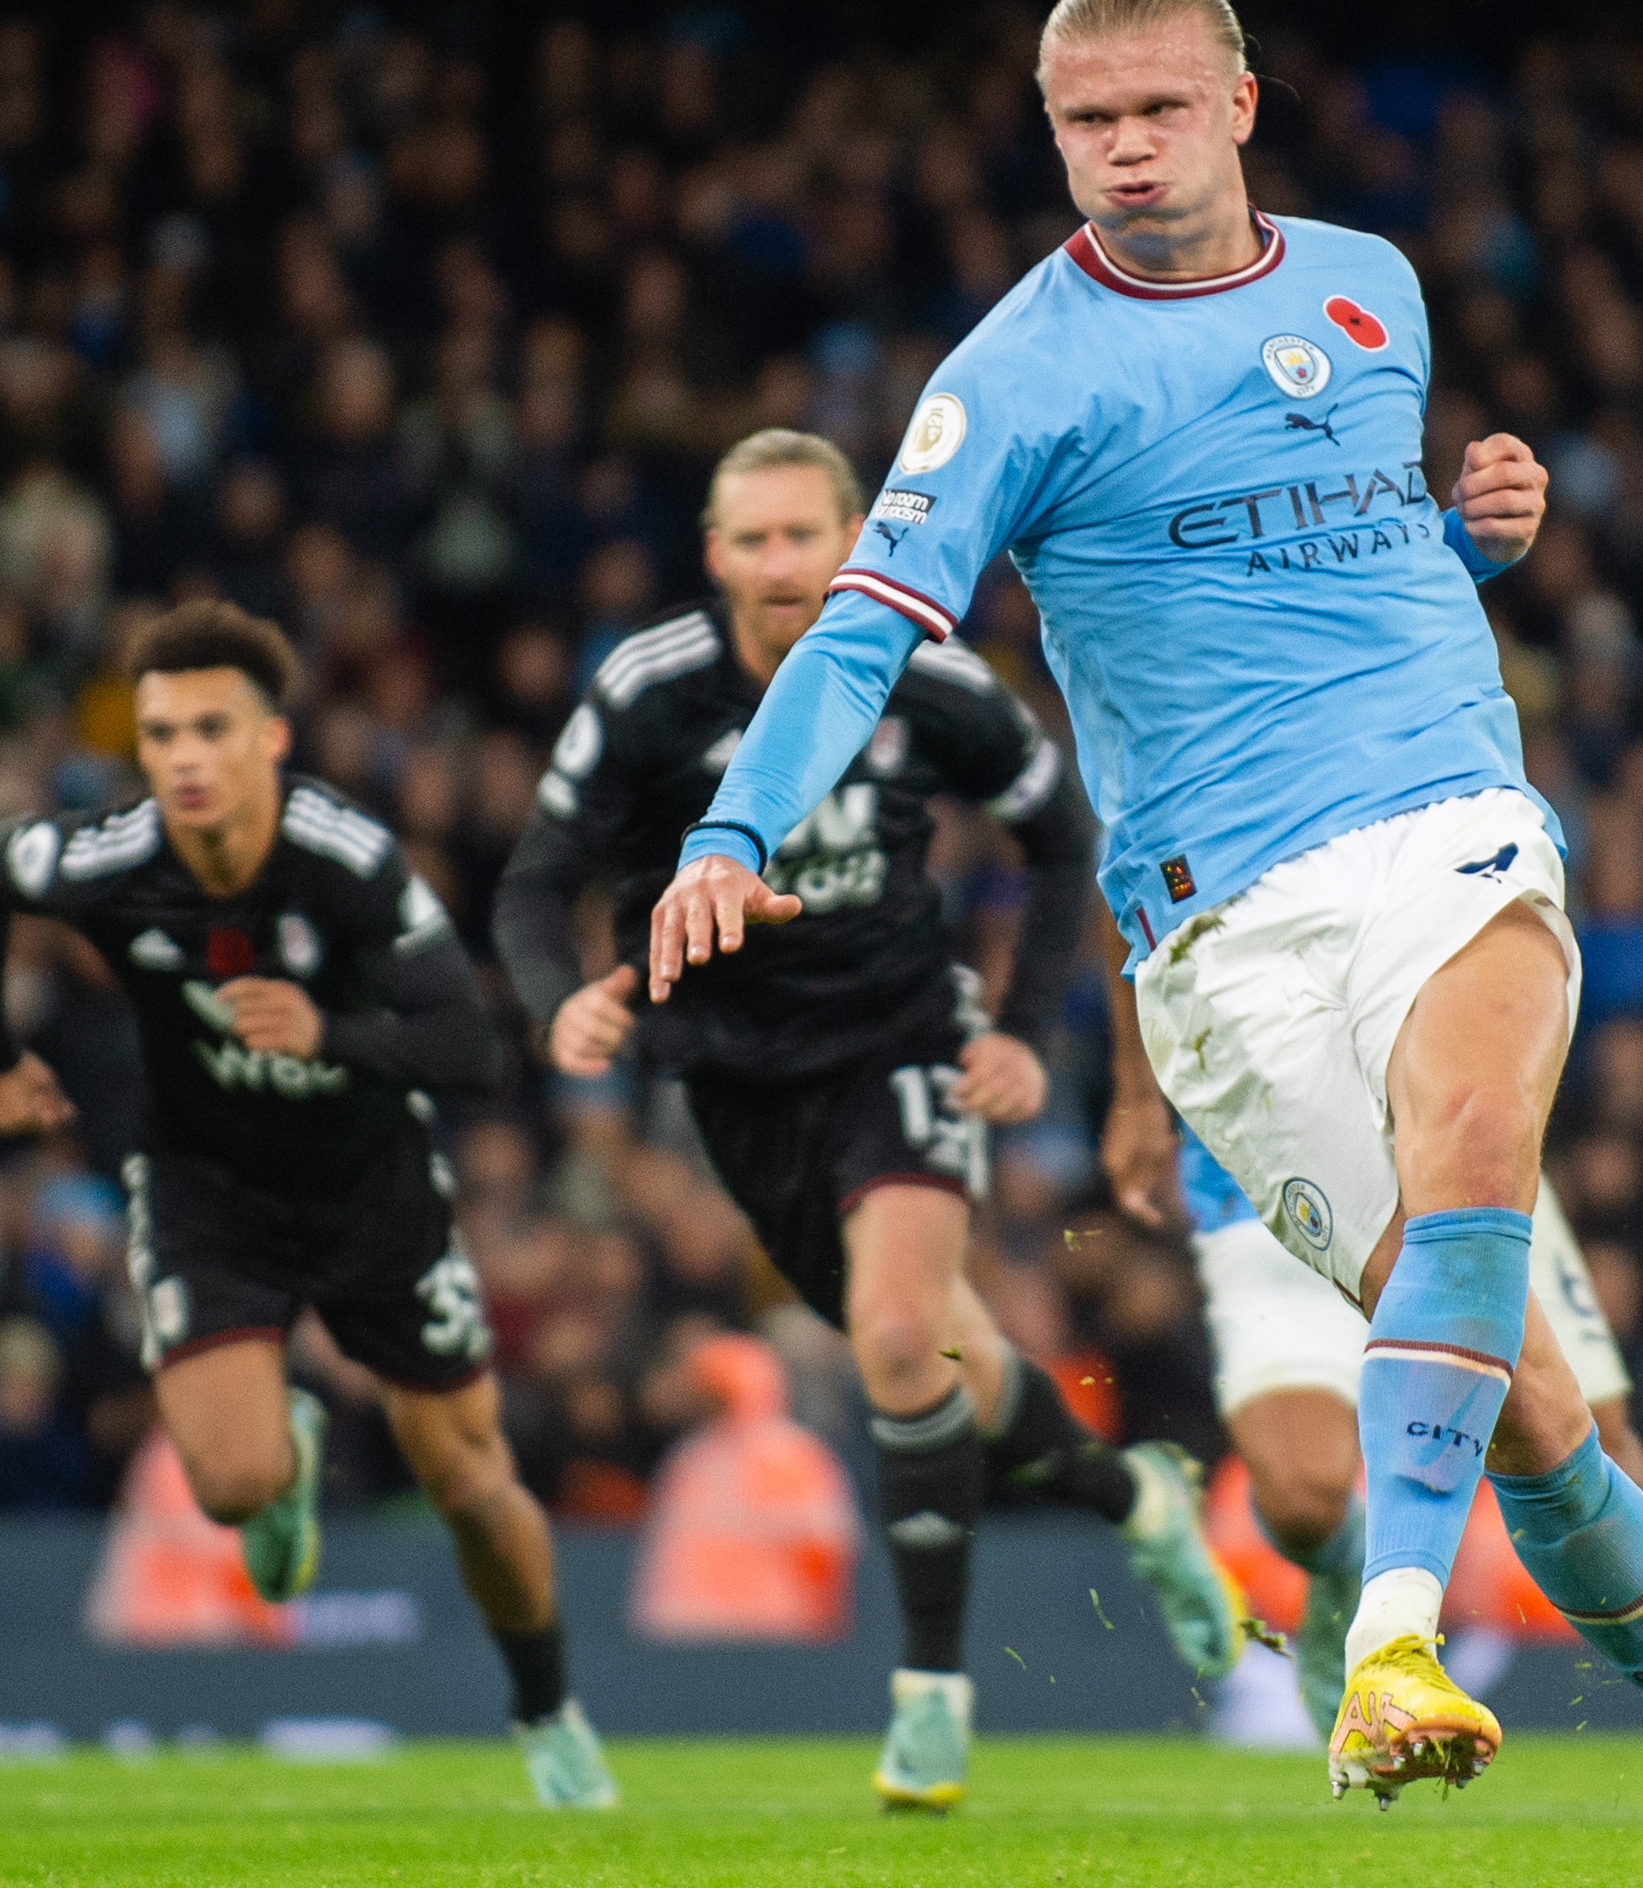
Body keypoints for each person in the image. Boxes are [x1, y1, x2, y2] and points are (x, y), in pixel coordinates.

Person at [643, 0, 1643, 1888]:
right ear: (1055, 133)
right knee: (1531, 1415)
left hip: (1449, 821)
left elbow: (1346, 543)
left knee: (1476, 1154)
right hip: (1218, 926)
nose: (1122, 148)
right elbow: (865, 622)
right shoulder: (1014, 376)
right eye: (1083, 120)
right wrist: (735, 821)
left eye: (1156, 109)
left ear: (1238, 104)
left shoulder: (1372, 282)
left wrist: (1473, 534)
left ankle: (1385, 1631)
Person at [494, 426, 1242, 1813]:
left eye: (803, 536)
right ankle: (1136, 1501)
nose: (780, 566)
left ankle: (930, 1701)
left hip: (903, 1042)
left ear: (855, 541)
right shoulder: (646, 693)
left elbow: (1063, 837)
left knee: (899, 1338)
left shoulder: (929, 676)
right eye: (751, 539)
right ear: (712, 553)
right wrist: (560, 1005)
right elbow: (534, 881)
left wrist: (1019, 1037)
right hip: (731, 1079)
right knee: (945, 1358)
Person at [0, 598, 616, 1810]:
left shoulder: (346, 860)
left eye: (211, 727)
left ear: (270, 738)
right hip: (210, 1191)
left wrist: (332, 1031)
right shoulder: (108, 858)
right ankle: (286, 1450)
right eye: (160, 734)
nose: (184, 757)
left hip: (373, 1190)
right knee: (228, 1485)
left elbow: (471, 1048)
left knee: (471, 1485)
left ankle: (546, 1707)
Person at [1144, 1127, 1643, 1818]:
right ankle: (1341, 1572)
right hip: (1286, 1148)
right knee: (1300, 1507)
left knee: (1602, 1454)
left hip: (1463, 1153)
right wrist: (1136, 1088)